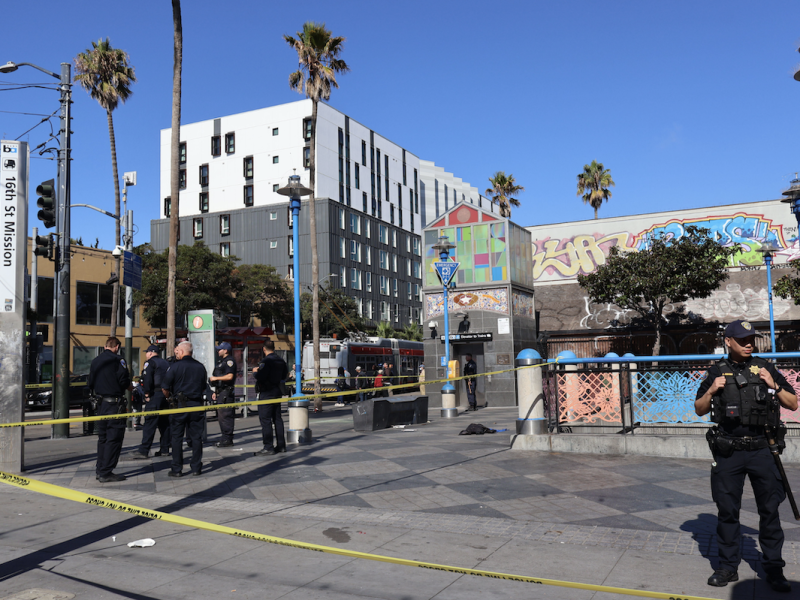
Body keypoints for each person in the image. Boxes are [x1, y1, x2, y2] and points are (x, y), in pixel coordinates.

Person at [694, 320, 797, 593]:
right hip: (729, 451)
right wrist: (712, 390)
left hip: (763, 449)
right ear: (728, 341)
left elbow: (793, 403)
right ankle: (727, 567)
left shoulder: (765, 367)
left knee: (770, 510)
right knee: (727, 511)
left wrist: (774, 385)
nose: (749, 344)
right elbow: (699, 409)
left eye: (751, 339)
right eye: (742, 340)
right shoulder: (716, 371)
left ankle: (773, 568)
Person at [88, 336, 132, 483]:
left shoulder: (95, 361)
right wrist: (130, 387)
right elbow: (124, 381)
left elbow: (90, 382)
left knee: (103, 438)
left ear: (105, 346)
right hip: (114, 405)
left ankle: (100, 469)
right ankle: (106, 472)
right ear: (117, 347)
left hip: (101, 404)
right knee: (114, 438)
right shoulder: (118, 360)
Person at [161, 341, 208, 477]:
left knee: (177, 438)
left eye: (177, 351)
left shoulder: (175, 367)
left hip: (179, 406)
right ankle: (196, 468)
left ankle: (177, 469)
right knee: (196, 438)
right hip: (196, 405)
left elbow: (165, 387)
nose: (176, 354)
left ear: (181, 352)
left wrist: (169, 397)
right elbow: (203, 387)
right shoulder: (200, 367)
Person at [131, 345, 171, 460]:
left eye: (146, 352)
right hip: (165, 394)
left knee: (149, 423)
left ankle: (144, 450)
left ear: (150, 353)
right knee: (164, 424)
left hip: (155, 395)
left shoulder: (150, 363)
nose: (146, 354)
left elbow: (147, 379)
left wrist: (147, 393)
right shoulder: (165, 363)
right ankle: (165, 449)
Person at [252, 340, 288, 455]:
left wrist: (255, 372)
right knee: (277, 419)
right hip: (277, 392)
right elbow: (285, 375)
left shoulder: (266, 361)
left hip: (266, 392)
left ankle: (268, 447)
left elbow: (261, 376)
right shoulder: (281, 360)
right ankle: (281, 445)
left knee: (265, 420)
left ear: (264, 349)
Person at [210, 341, 238, 447]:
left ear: (226, 350)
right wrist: (216, 391)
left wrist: (216, 378)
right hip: (221, 392)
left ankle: (227, 439)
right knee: (222, 416)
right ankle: (224, 438)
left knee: (226, 416)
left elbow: (230, 376)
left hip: (226, 393)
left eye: (220, 349)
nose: (218, 351)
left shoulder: (229, 361)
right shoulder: (222, 361)